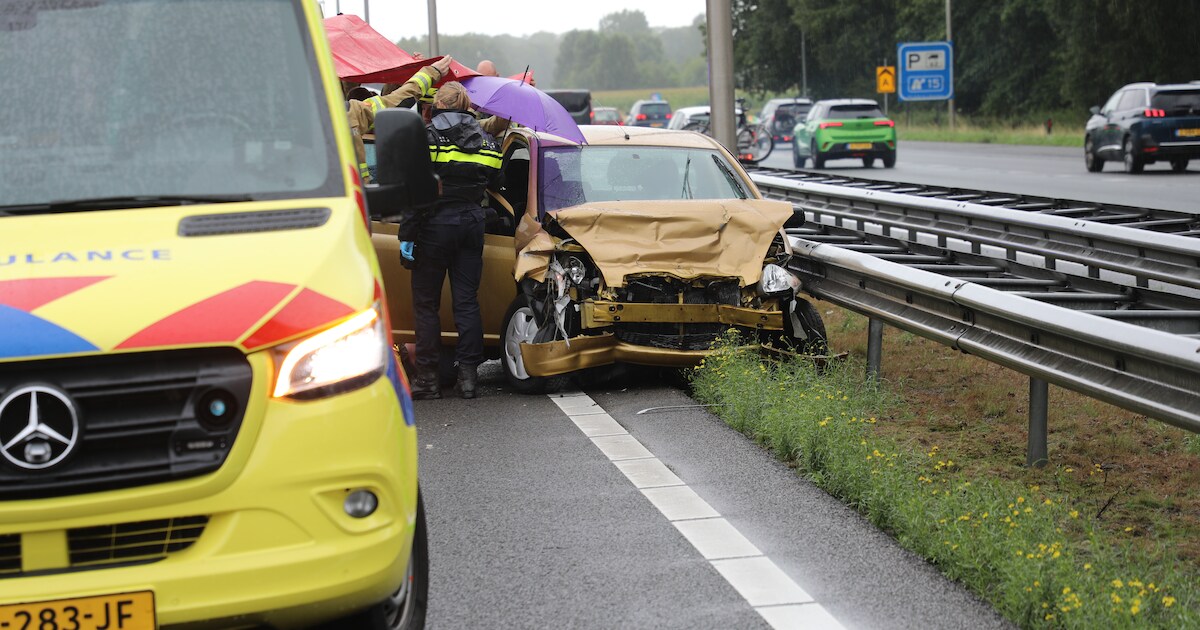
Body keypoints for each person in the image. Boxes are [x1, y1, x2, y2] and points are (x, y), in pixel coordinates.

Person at [399, 81, 503, 400]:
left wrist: (407, 236)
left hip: (434, 224)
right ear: (468, 108)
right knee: (466, 301)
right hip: (472, 224)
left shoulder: (427, 139)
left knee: (426, 304)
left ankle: (428, 380)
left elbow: (416, 193)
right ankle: (469, 378)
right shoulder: (488, 143)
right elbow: (496, 181)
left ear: (438, 106)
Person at [345, 55, 452, 183]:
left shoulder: (348, 112)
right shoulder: (349, 112)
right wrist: (431, 72)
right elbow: (396, 100)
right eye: (424, 109)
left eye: (430, 109)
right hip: (359, 197)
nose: (426, 114)